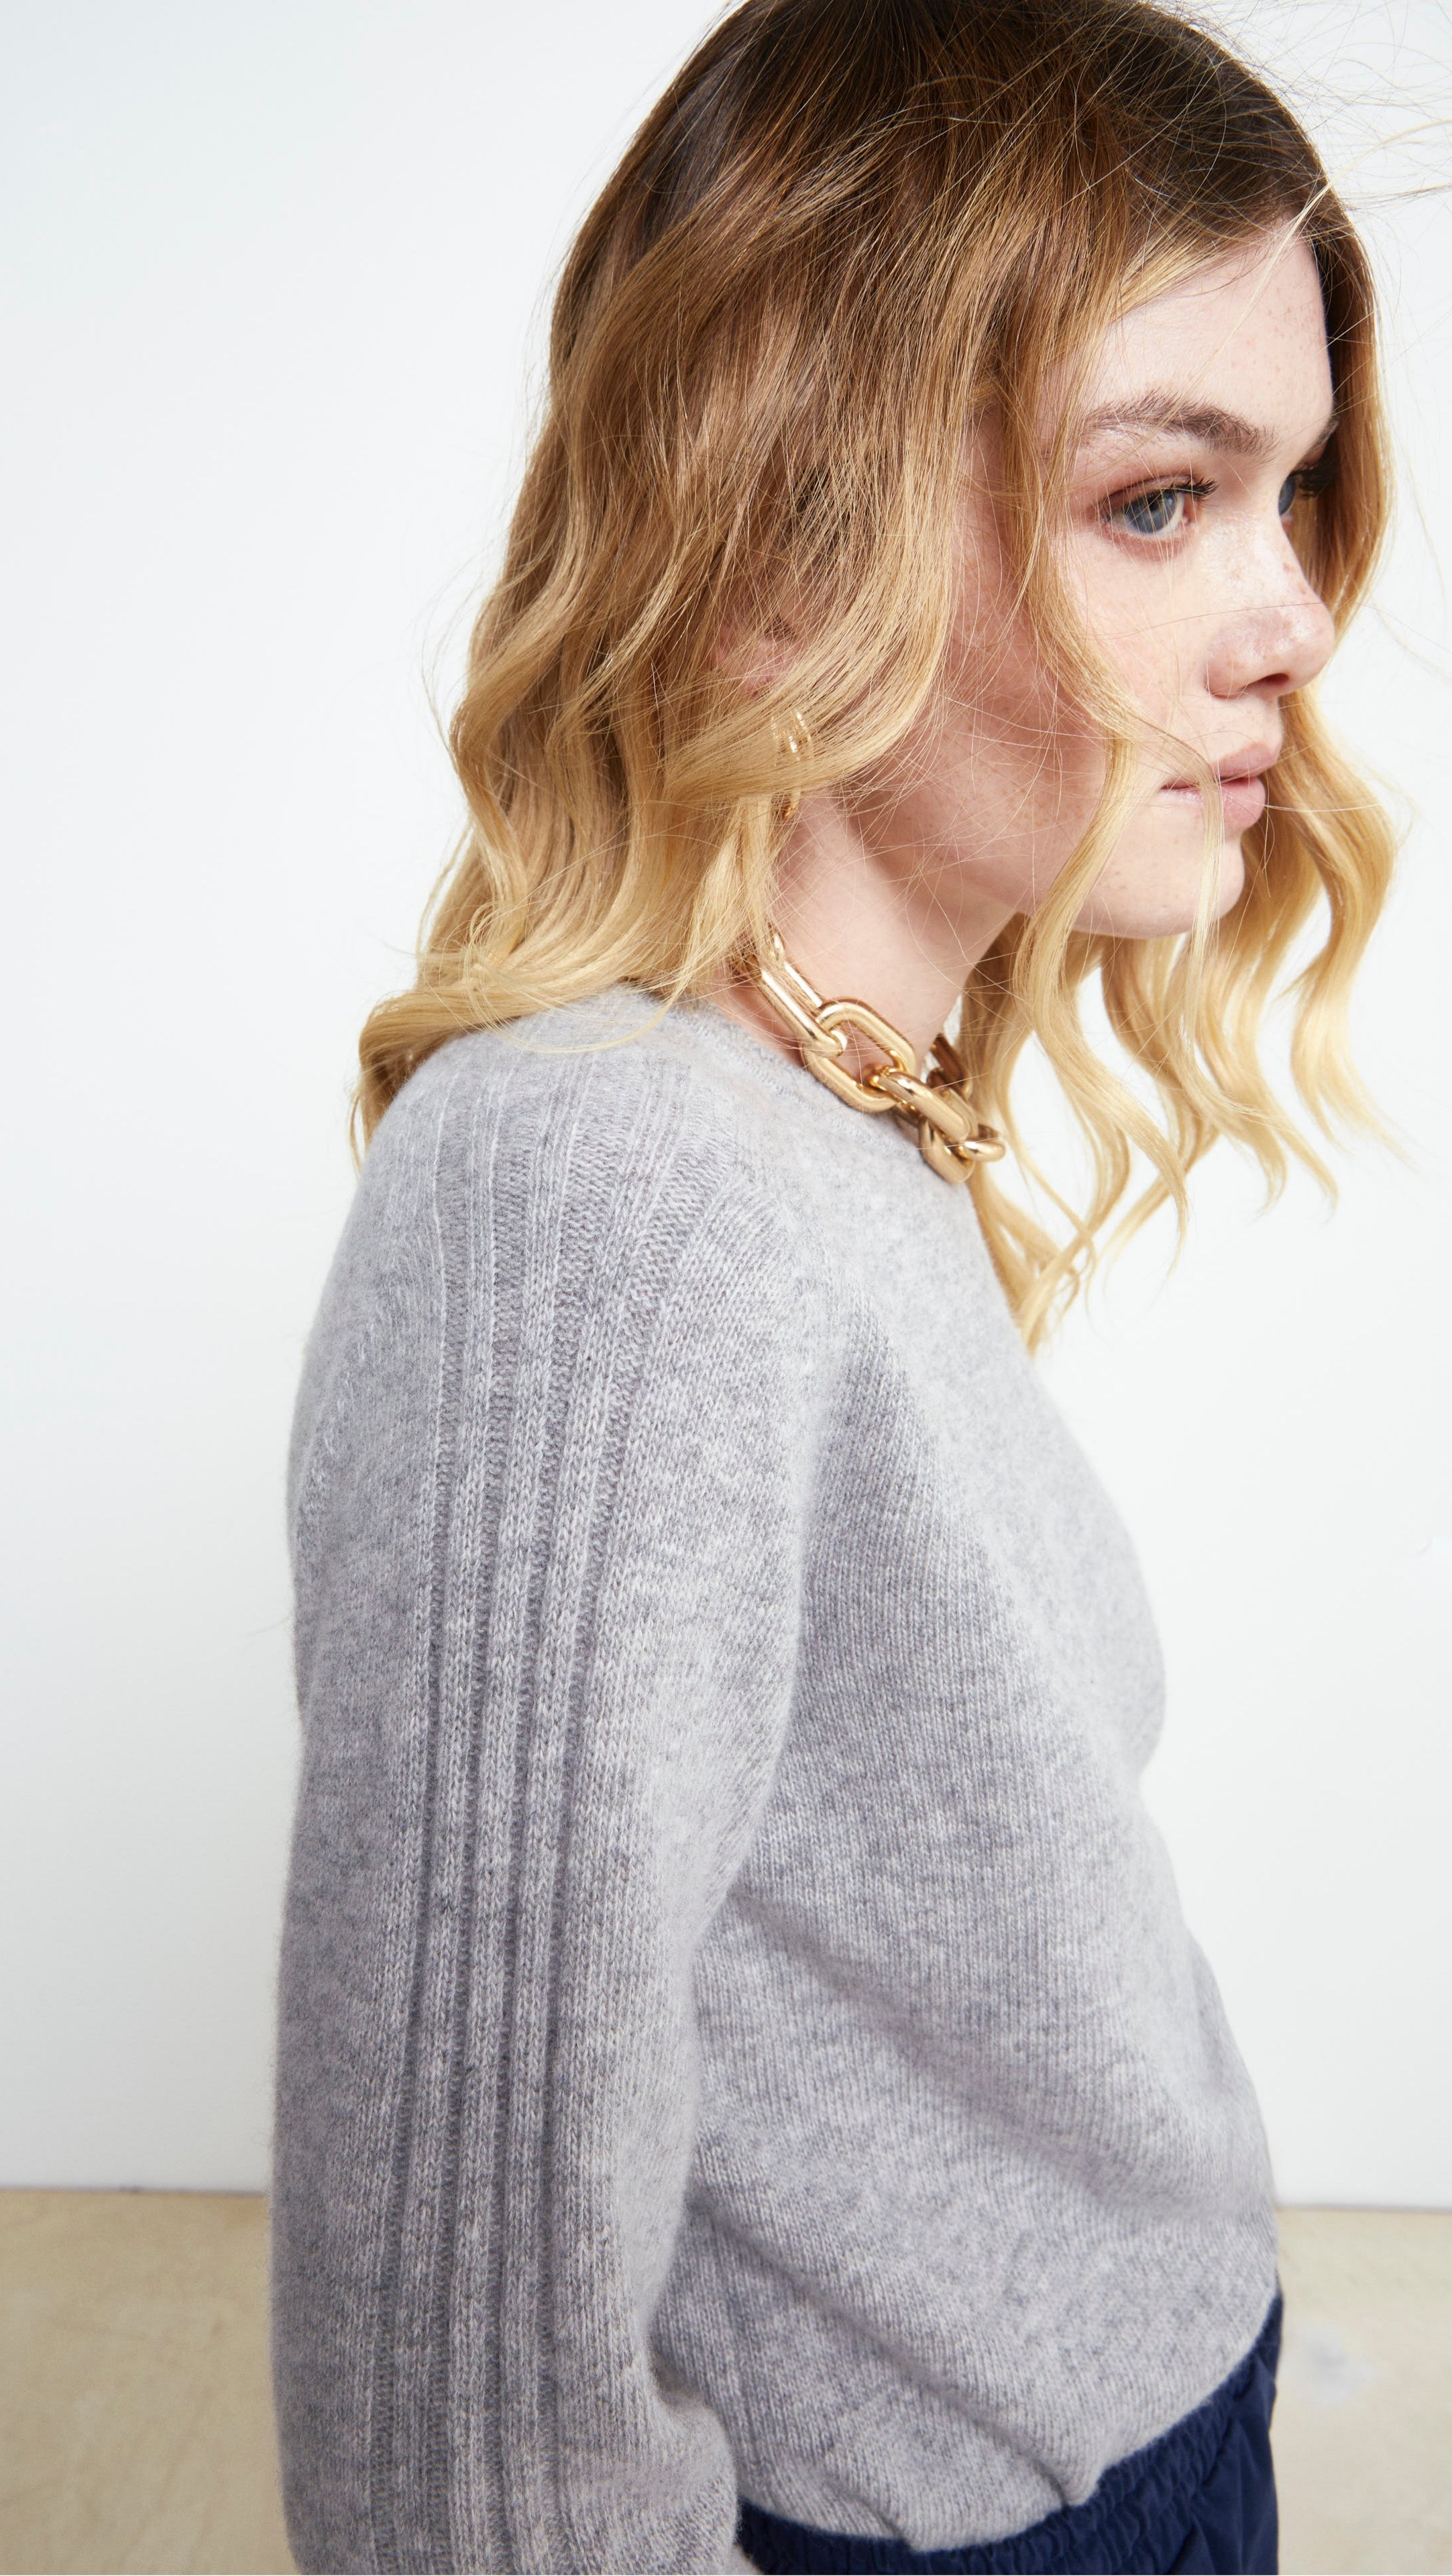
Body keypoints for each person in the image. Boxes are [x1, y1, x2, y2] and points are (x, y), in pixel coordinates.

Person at [269, 3, 1394, 2568]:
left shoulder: (817, 1116)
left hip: (1140, 2437)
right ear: (790, 527)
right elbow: (461, 2440)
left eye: (1295, 492)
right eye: (1159, 500)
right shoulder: (607, 1192)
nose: (1296, 619)